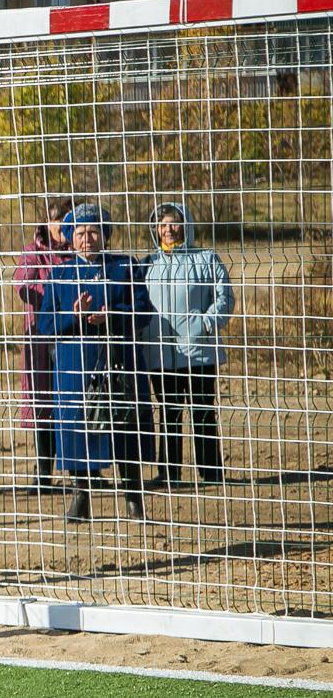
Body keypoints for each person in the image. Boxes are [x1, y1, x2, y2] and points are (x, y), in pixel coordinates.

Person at [34, 203, 152, 522]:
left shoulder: (125, 267)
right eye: (81, 233)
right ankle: (80, 497)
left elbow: (145, 310)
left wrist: (112, 315)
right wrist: (73, 317)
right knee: (76, 429)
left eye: (94, 232)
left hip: (119, 361)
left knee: (125, 427)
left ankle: (133, 499)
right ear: (70, 239)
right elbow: (45, 325)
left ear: (106, 236)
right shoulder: (58, 275)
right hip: (75, 366)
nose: (88, 239)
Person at [142, 201, 234, 487]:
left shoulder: (206, 259)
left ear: (186, 225)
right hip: (161, 355)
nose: (168, 229)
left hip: (199, 354)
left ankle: (211, 473)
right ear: (155, 229)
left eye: (173, 222)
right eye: (162, 224)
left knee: (202, 412)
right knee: (168, 413)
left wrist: (206, 324)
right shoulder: (148, 265)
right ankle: (168, 473)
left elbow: (225, 298)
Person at [15, 197, 73, 492]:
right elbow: (21, 285)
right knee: (43, 403)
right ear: (46, 223)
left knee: (76, 400)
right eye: (56, 218)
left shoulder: (80, 252)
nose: (61, 224)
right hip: (40, 340)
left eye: (66, 218)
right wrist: (42, 295)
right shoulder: (33, 254)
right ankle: (44, 471)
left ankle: (82, 468)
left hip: (74, 338)